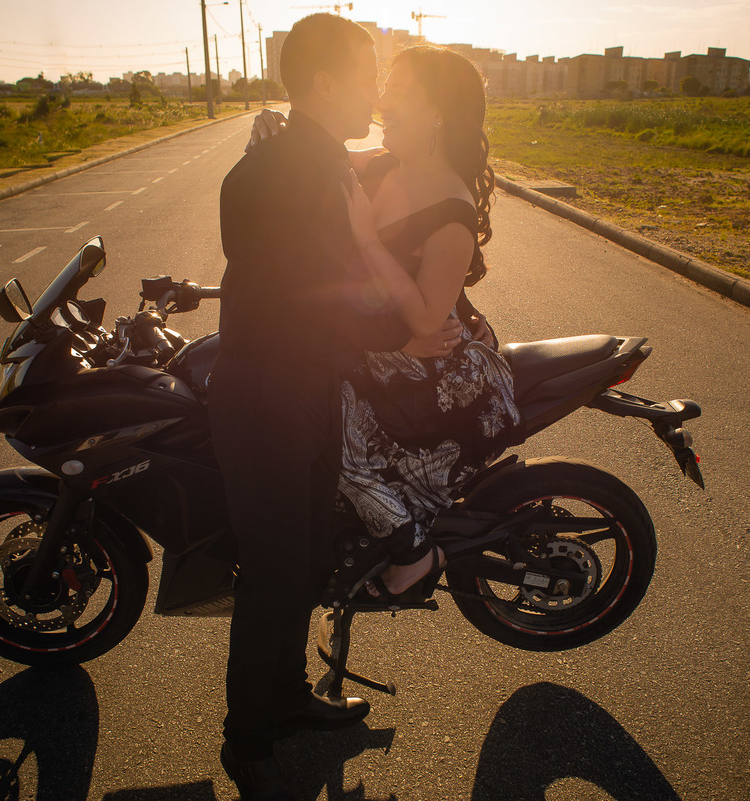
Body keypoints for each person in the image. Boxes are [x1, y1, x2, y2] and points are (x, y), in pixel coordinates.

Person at [209, 15, 465, 801]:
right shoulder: (293, 172)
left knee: (308, 558)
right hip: (267, 398)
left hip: (302, 390)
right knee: (278, 571)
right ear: (323, 82)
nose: (375, 93)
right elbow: (317, 298)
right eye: (364, 77)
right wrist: (415, 327)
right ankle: (248, 740)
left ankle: (286, 697)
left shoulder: (305, 159)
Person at [247, 45, 519, 601]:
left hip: (434, 368)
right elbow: (321, 158)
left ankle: (414, 553)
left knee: (330, 435)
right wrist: (273, 132)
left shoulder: (452, 210)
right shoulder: (387, 163)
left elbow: (424, 317)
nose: (383, 100)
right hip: (384, 344)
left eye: (398, 91)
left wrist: (367, 236)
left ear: (436, 111)